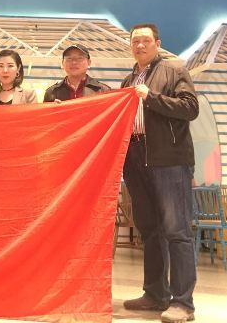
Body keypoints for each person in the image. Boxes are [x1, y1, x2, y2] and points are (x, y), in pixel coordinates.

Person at [121, 23, 199, 323]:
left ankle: (183, 302)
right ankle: (155, 293)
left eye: (145, 40)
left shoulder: (174, 69)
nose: (140, 45)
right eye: (135, 41)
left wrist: (150, 97)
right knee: (149, 230)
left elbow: (190, 108)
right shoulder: (129, 79)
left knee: (177, 231)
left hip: (169, 160)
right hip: (136, 159)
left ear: (157, 43)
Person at [43, 44, 110, 103]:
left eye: (80, 58)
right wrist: (53, 108)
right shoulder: (52, 92)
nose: (74, 62)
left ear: (89, 63)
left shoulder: (103, 90)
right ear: (62, 63)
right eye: (69, 58)